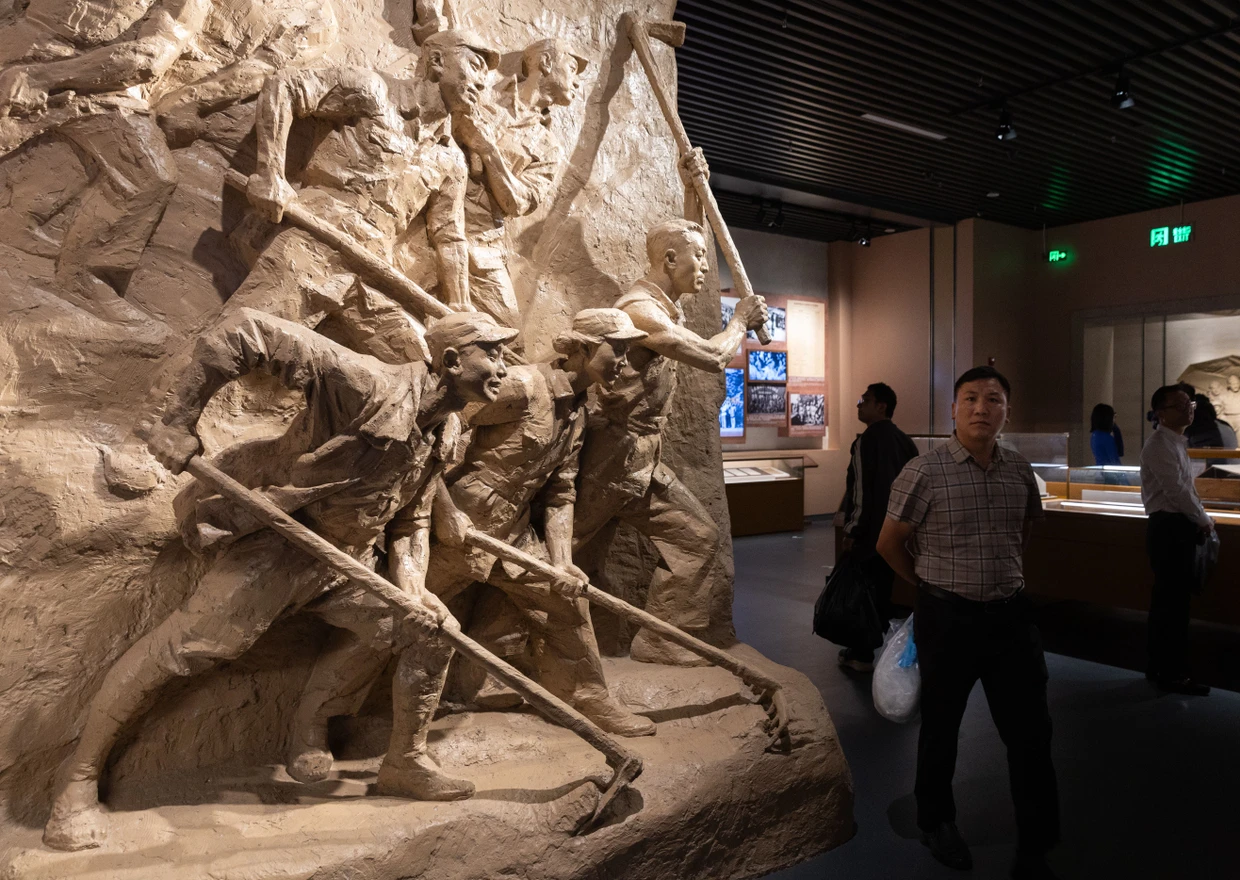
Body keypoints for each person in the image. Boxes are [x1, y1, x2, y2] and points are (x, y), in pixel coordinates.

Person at [42, 308, 517, 851]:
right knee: (179, 649)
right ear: (453, 360)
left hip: (347, 561)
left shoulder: (445, 428)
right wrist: (178, 422)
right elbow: (244, 330)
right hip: (280, 544)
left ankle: (404, 761)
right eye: (494, 353)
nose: (504, 367)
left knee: (432, 630)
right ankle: (77, 777)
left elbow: (412, 515)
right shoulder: (365, 382)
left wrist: (410, 589)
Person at [877, 366, 1058, 880]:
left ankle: (1037, 841)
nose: (982, 408)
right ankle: (936, 822)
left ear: (1007, 411)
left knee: (1031, 732)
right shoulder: (924, 471)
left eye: (994, 399)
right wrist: (929, 587)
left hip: (1011, 618)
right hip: (948, 617)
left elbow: (1022, 534)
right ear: (953, 409)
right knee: (941, 727)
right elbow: (889, 543)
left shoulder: (1020, 470)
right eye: (971, 398)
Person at [573, 215, 768, 665]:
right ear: (669, 259)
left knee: (697, 539)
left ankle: (661, 639)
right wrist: (739, 321)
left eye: (704, 254)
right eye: (699, 256)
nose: (705, 265)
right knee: (565, 551)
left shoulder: (663, 306)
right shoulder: (640, 309)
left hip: (641, 459)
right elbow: (710, 355)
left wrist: (691, 189)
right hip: (613, 458)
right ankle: (499, 639)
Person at [836, 382, 918, 673]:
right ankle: (874, 644)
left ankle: (861, 653)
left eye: (865, 399)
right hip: (899, 532)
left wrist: (852, 531)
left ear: (881, 406)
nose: (859, 405)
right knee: (884, 589)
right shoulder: (905, 441)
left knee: (863, 592)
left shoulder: (866, 441)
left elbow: (861, 493)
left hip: (871, 534)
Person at [1140, 384, 1214, 696]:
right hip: (1169, 528)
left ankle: (1161, 668)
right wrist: (1203, 518)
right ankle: (1172, 673)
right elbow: (1177, 491)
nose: (1189, 408)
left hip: (1173, 526)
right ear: (1161, 413)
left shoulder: (1173, 443)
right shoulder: (1159, 445)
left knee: (1168, 604)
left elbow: (1184, 487)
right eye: (1181, 404)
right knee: (1173, 605)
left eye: (1189, 403)